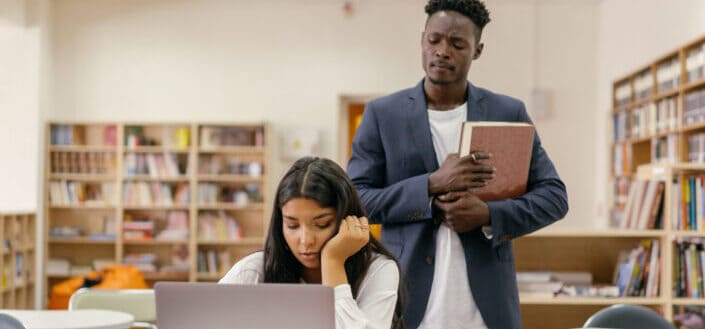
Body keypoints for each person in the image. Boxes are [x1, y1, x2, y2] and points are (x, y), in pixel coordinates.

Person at [346, 0, 569, 328]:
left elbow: (554, 197)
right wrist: (431, 186)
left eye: (457, 43)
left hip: (487, 310)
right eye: (434, 40)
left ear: (477, 50)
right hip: (407, 302)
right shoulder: (383, 115)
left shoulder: (508, 113)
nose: (442, 51)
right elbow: (357, 199)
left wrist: (490, 215)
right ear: (422, 40)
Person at [220, 157, 404, 329]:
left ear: (348, 220)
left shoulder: (379, 270)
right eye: (292, 225)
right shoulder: (253, 270)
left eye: (322, 224)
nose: (306, 240)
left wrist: (333, 262)